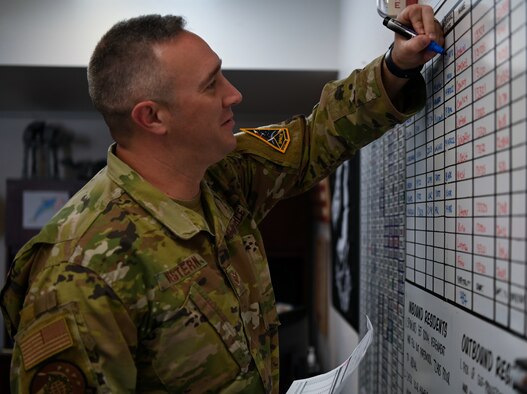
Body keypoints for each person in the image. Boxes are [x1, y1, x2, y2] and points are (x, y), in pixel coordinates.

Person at [1, 5, 443, 393]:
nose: (234, 93)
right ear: (152, 117)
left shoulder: (221, 177)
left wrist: (396, 66)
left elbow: (313, 140)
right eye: (211, 85)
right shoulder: (80, 271)